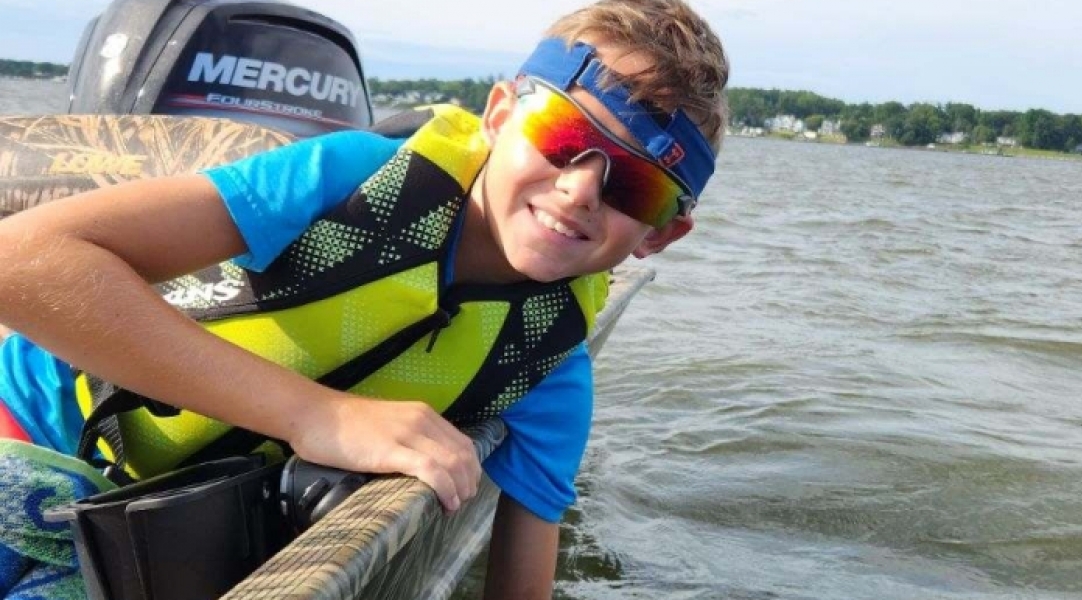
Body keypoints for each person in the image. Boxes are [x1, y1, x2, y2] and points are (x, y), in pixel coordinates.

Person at [0, 0, 729, 597]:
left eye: (633, 186)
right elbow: (19, 262)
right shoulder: (354, 180)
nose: (580, 190)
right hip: (30, 429)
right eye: (563, 136)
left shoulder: (548, 373)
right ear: (502, 116)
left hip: (137, 533)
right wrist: (317, 415)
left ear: (661, 234)